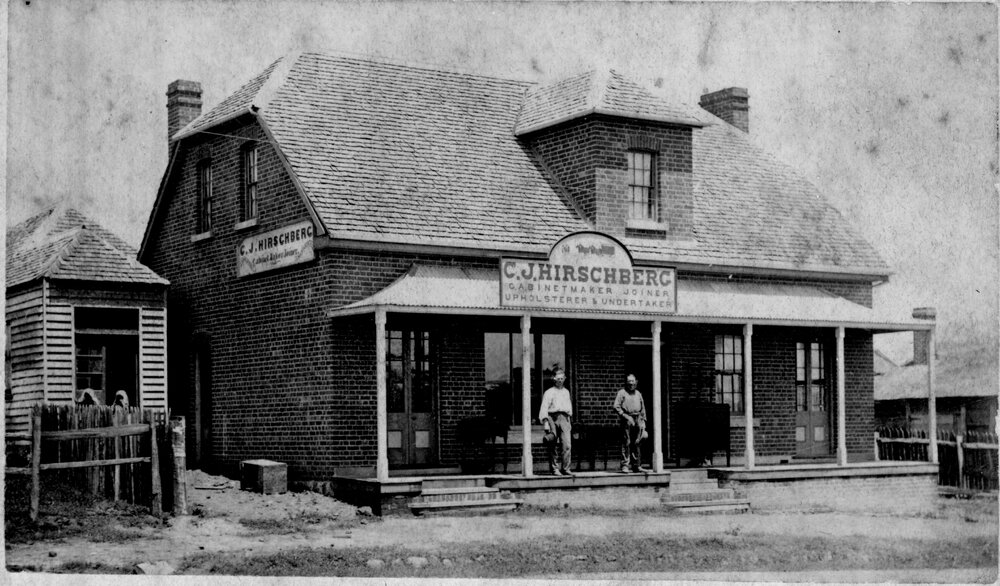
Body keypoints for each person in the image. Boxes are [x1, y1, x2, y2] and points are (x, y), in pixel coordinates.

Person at [538, 368, 573, 476]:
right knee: (553, 444)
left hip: (565, 418)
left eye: (562, 378)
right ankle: (555, 469)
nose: (560, 381)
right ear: (553, 379)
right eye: (558, 379)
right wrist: (546, 423)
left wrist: (568, 420)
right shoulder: (549, 392)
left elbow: (569, 407)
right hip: (552, 417)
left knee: (567, 445)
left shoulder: (566, 392)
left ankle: (566, 468)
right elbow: (544, 408)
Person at [614, 374, 647, 473]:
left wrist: (643, 421)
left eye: (632, 381)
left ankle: (637, 465)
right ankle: (625, 465)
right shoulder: (622, 393)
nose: (631, 383)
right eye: (629, 381)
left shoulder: (638, 394)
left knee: (637, 442)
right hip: (627, 419)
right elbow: (616, 406)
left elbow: (643, 408)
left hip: (638, 419)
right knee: (627, 442)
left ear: (636, 382)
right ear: (626, 382)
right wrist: (625, 416)